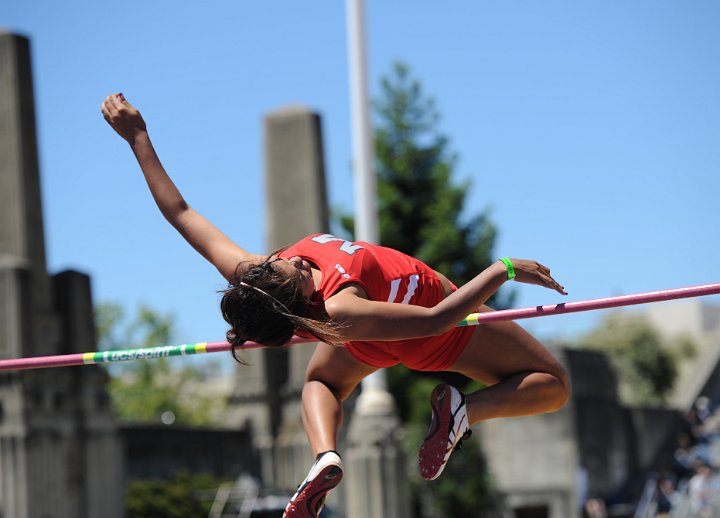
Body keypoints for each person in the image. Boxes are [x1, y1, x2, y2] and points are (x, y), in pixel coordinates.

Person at [101, 93, 571, 518]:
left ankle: (325, 455)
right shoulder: (340, 305)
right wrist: (504, 269)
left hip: (369, 340)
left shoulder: (256, 278)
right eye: (290, 272)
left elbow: (181, 214)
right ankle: (464, 412)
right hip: (428, 328)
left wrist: (138, 139)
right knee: (552, 385)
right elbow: (435, 321)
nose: (290, 262)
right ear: (295, 291)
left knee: (321, 380)